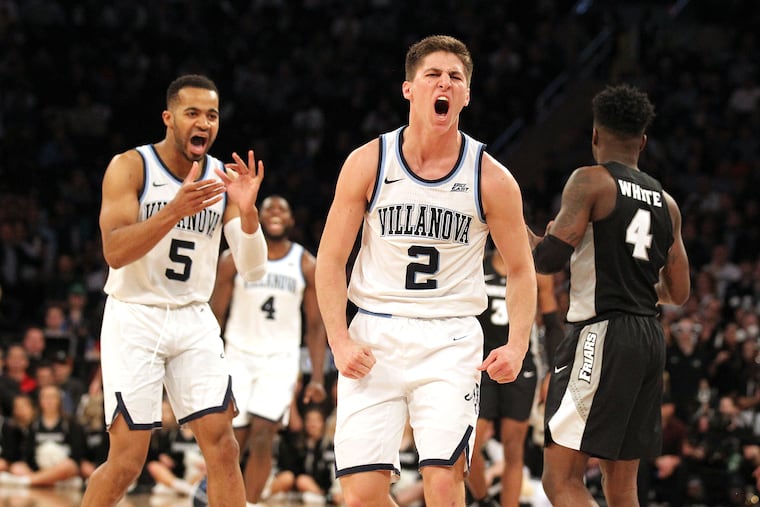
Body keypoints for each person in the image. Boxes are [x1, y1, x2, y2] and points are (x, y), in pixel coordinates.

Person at [315, 35, 537, 506]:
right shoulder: (368, 161)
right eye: (433, 75)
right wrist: (339, 338)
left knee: (441, 481)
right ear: (409, 89)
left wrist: (517, 344)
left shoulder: (491, 177)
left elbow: (521, 269)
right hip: (374, 333)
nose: (445, 83)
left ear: (467, 95)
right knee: (360, 497)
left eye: (456, 77)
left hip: (450, 338)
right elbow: (331, 261)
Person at [81, 74, 269, 507]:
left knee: (223, 446)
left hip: (192, 317)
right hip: (135, 315)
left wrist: (247, 211)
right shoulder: (131, 166)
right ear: (169, 118)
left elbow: (254, 268)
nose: (203, 122)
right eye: (192, 113)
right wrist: (174, 211)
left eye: (212, 115)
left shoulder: (222, 177)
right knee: (128, 460)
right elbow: (114, 251)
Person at [528, 83, 691, 506]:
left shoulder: (590, 181)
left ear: (596, 135)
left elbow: (547, 258)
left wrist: (515, 231)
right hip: (649, 339)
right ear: (643, 141)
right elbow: (679, 292)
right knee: (621, 488)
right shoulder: (667, 204)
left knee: (560, 479)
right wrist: (631, 278)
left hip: (602, 334)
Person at [210, 194, 327, 505]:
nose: (276, 212)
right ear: (258, 218)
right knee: (232, 439)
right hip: (237, 354)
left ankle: (247, 504)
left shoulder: (305, 263)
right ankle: (223, 498)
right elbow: (214, 314)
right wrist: (206, 360)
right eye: (269, 208)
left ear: (291, 221)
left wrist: (316, 375)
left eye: (283, 208)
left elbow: (316, 325)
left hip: (281, 359)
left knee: (264, 434)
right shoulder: (233, 257)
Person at [469, 249, 564, 507]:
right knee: (470, 444)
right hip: (481, 363)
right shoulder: (477, 262)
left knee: (514, 448)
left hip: (521, 365)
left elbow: (553, 324)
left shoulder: (537, 273)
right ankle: (483, 498)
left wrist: (554, 373)